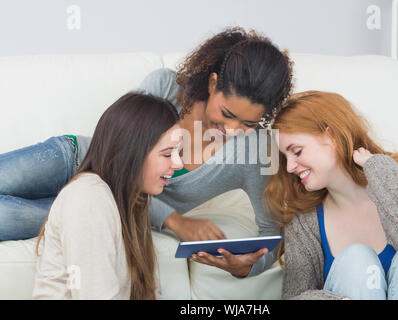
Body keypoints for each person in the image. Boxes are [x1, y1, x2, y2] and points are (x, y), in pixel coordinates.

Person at [0, 27, 293, 278]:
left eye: (248, 123)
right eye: (227, 113)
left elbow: (271, 233)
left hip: (103, 206)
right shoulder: (166, 87)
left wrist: (245, 268)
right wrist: (176, 221)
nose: (232, 129)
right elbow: (120, 162)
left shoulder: (254, 151)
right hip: (74, 157)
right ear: (214, 83)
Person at [264, 90, 398, 300]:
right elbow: (294, 296)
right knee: (356, 259)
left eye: (296, 151)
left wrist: (379, 170)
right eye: (284, 157)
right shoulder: (305, 219)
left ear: (331, 136)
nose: (289, 167)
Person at [32, 92, 183, 299]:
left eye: (178, 153)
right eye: (167, 154)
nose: (178, 164)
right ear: (132, 152)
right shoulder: (88, 197)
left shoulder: (133, 202)